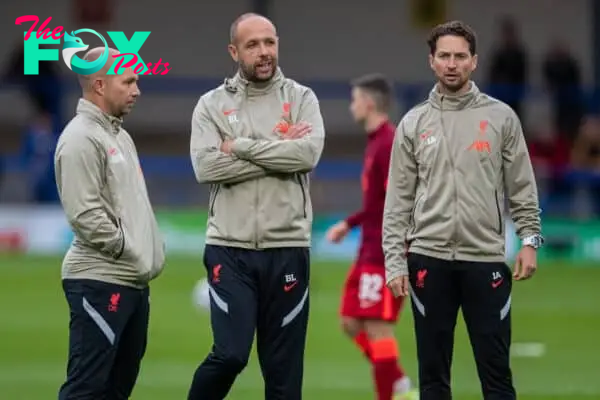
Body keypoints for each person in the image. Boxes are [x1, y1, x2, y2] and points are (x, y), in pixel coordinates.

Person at [382, 21, 543, 400]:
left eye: (459, 56)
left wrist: (530, 241)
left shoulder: (502, 117)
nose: (452, 64)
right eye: (444, 56)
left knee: (497, 378)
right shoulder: (413, 122)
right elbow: (397, 202)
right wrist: (394, 262)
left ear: (474, 61)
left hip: (484, 260)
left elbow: (522, 186)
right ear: (431, 62)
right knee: (434, 379)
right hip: (428, 260)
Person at [187, 13, 325, 400]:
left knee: (284, 376)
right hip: (229, 248)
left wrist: (242, 145)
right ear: (234, 51)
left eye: (270, 42)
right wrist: (280, 149)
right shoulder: (211, 105)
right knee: (230, 355)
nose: (264, 52)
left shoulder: (301, 99)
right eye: (253, 45)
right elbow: (206, 165)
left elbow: (308, 154)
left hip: (288, 249)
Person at [54, 47, 166, 399]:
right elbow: (85, 215)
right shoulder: (80, 138)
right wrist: (128, 250)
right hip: (99, 280)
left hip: (131, 281)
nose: (137, 90)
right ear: (100, 85)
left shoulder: (119, 136)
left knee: (116, 390)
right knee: (86, 389)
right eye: (129, 81)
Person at [326, 74, 417, 400]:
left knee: (378, 329)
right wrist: (349, 223)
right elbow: (378, 203)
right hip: (369, 248)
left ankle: (390, 392)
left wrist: (400, 249)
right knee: (351, 322)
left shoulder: (390, 144)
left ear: (367, 103)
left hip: (383, 253)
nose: (351, 106)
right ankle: (398, 381)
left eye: (354, 100)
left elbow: (399, 202)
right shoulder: (376, 142)